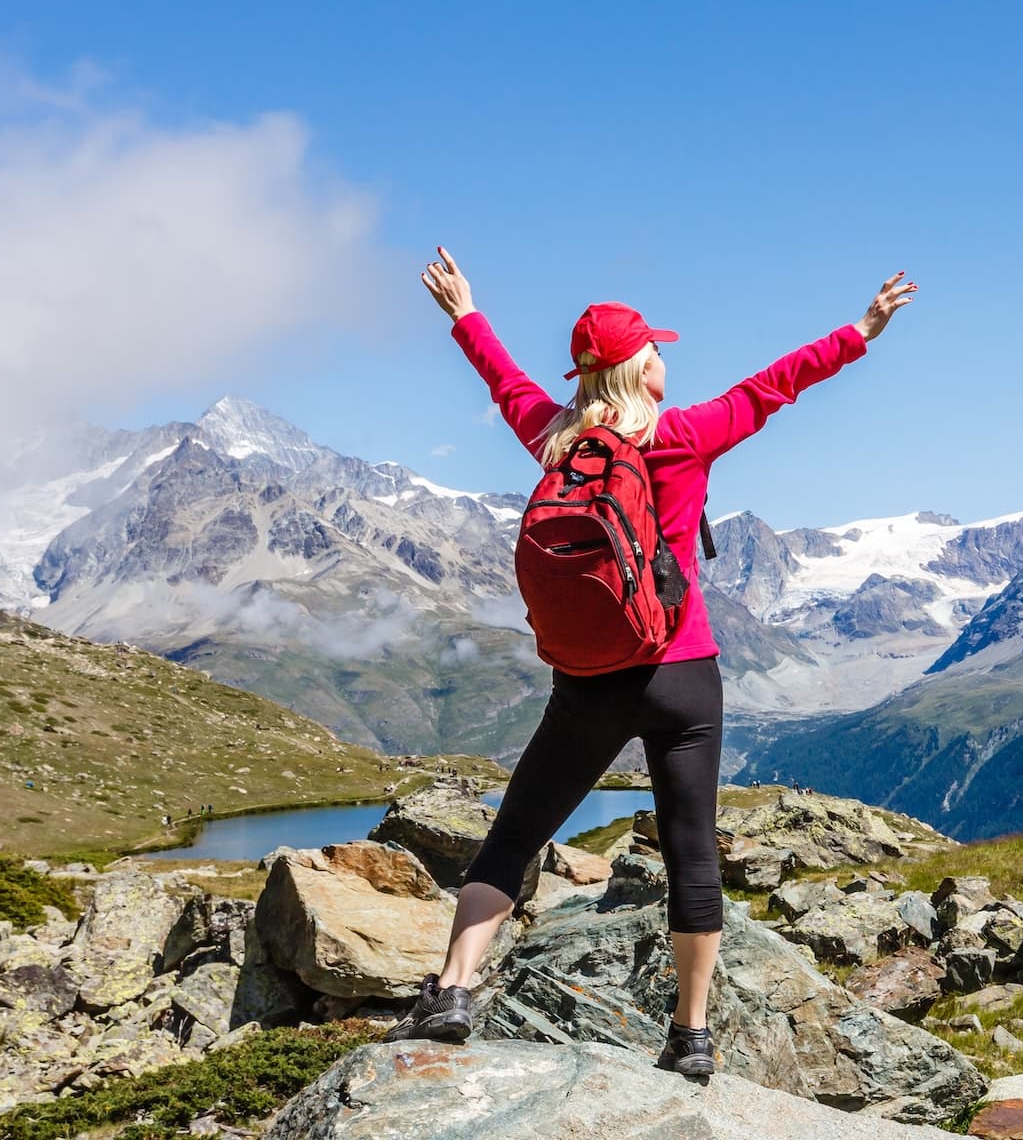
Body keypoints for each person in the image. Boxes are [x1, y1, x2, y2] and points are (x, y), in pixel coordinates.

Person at [383, 247, 915, 1076]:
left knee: (515, 837)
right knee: (691, 855)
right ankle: (692, 1036)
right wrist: (863, 329)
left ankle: (452, 989)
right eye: (656, 349)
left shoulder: (555, 437)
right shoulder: (687, 436)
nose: (667, 359)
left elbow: (505, 380)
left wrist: (464, 315)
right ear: (640, 366)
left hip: (589, 683)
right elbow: (776, 384)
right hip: (683, 675)